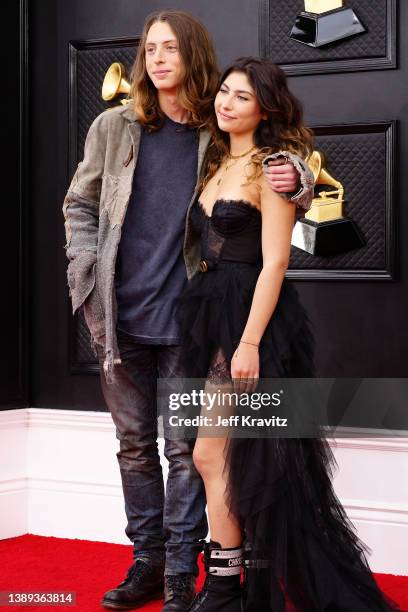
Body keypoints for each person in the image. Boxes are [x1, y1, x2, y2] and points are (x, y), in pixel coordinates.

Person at [62, 11, 313, 612]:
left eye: (170, 48)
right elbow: (80, 204)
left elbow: (276, 168)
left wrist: (298, 177)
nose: (157, 58)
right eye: (149, 48)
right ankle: (146, 562)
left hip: (190, 320)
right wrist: (87, 273)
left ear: (192, 55)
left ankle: (182, 570)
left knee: (186, 449)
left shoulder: (214, 126)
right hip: (118, 317)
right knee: (133, 446)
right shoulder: (113, 126)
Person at [176, 57, 398, 612]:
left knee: (230, 456)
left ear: (266, 108)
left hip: (250, 319)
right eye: (224, 92)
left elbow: (276, 262)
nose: (226, 103)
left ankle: (229, 585)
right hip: (209, 310)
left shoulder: (274, 168)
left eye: (242, 98)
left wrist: (248, 342)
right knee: (223, 456)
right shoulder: (217, 159)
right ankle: (230, 583)